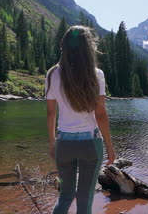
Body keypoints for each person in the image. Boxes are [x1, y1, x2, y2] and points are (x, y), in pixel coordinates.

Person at [45, 25, 116, 214]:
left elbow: (51, 113)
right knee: (85, 200)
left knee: (65, 196)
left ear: (64, 46)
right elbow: (100, 114)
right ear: (88, 48)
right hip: (90, 144)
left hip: (64, 143)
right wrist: (109, 146)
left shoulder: (52, 74)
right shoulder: (96, 74)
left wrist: (53, 144)